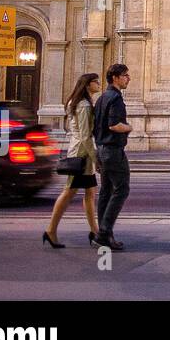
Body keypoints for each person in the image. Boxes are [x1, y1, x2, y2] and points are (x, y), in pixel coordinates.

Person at [43, 73, 102, 249]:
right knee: (69, 192)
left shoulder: (78, 103)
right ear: (87, 85)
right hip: (81, 155)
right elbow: (85, 135)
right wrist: (96, 158)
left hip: (80, 152)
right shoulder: (83, 105)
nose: (99, 84)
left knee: (90, 194)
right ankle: (51, 230)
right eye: (96, 82)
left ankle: (95, 231)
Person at [93, 64, 132, 251]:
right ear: (115, 77)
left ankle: (105, 235)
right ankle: (104, 233)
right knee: (122, 189)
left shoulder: (101, 98)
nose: (128, 78)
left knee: (106, 192)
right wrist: (129, 127)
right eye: (125, 75)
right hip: (113, 151)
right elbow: (114, 125)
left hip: (101, 149)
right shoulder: (115, 98)